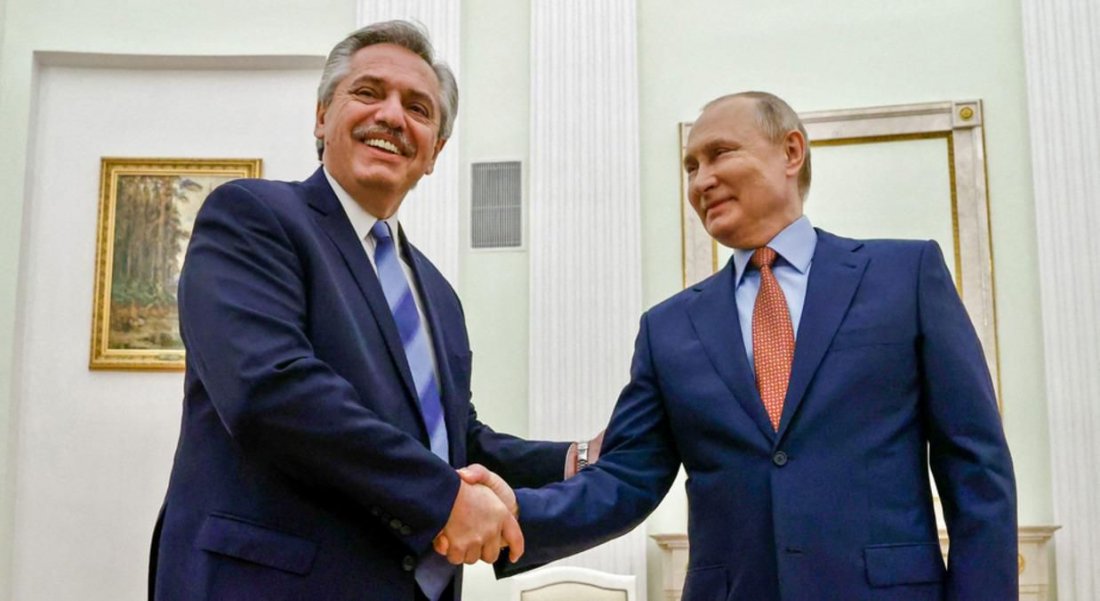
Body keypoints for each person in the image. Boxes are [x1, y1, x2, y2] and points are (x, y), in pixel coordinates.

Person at [474, 91, 1017, 600]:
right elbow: (625, 477)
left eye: (719, 154)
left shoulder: (905, 276)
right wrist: (510, 513)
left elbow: (977, 471)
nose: (701, 180)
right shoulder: (668, 328)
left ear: (791, 152)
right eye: (691, 167)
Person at [148, 20, 599, 601]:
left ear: (434, 151)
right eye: (368, 92)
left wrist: (573, 460)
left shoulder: (437, 293)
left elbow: (452, 441)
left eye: (418, 108)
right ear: (321, 117)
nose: (392, 116)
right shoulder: (253, 217)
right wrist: (445, 500)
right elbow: (272, 391)